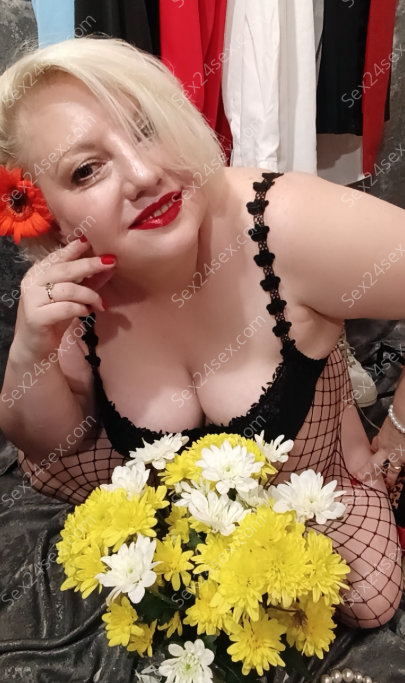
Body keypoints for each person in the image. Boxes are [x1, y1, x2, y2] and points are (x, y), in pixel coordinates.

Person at [0, 37, 403, 631]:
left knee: (370, 598)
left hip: (309, 471)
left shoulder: (284, 225)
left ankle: (337, 396)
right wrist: (29, 349)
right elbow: (54, 444)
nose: (145, 174)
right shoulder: (79, 279)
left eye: (147, 128)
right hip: (172, 485)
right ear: (46, 217)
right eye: (86, 170)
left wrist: (398, 429)